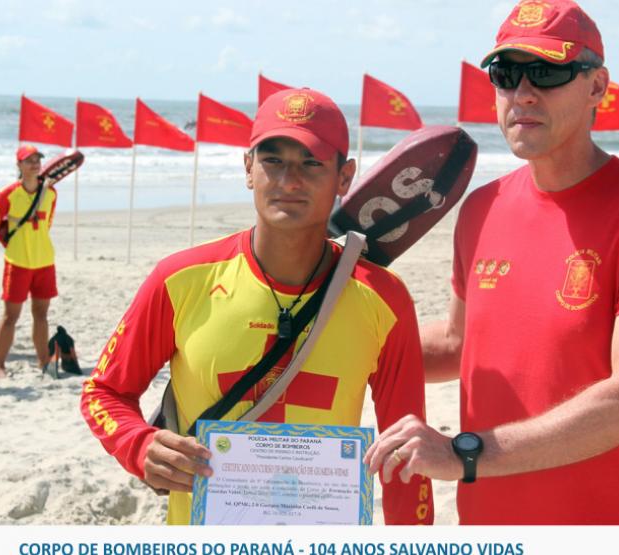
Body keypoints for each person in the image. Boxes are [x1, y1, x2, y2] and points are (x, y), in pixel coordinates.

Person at [365, 0, 619, 524]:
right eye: (506, 74)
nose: (523, 93)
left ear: (597, 87)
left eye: (547, 73)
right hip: (495, 526)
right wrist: (342, 337)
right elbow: (460, 346)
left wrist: (464, 453)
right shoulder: (482, 207)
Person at [80, 88, 434, 525]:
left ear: (345, 178)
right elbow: (105, 391)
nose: (289, 181)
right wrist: (138, 445)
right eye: (273, 161)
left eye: (311, 163)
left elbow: (406, 451)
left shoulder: (384, 297)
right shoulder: (181, 280)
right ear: (248, 168)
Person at [0, 145, 57, 378]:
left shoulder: (51, 193)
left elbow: (48, 223)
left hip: (44, 261)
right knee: (11, 316)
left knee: (41, 314)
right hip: (16, 262)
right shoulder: (7, 194)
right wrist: (13, 244)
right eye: (29, 160)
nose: (35, 164)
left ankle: (43, 361)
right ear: (19, 165)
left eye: (38, 159)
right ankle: (0, 364)